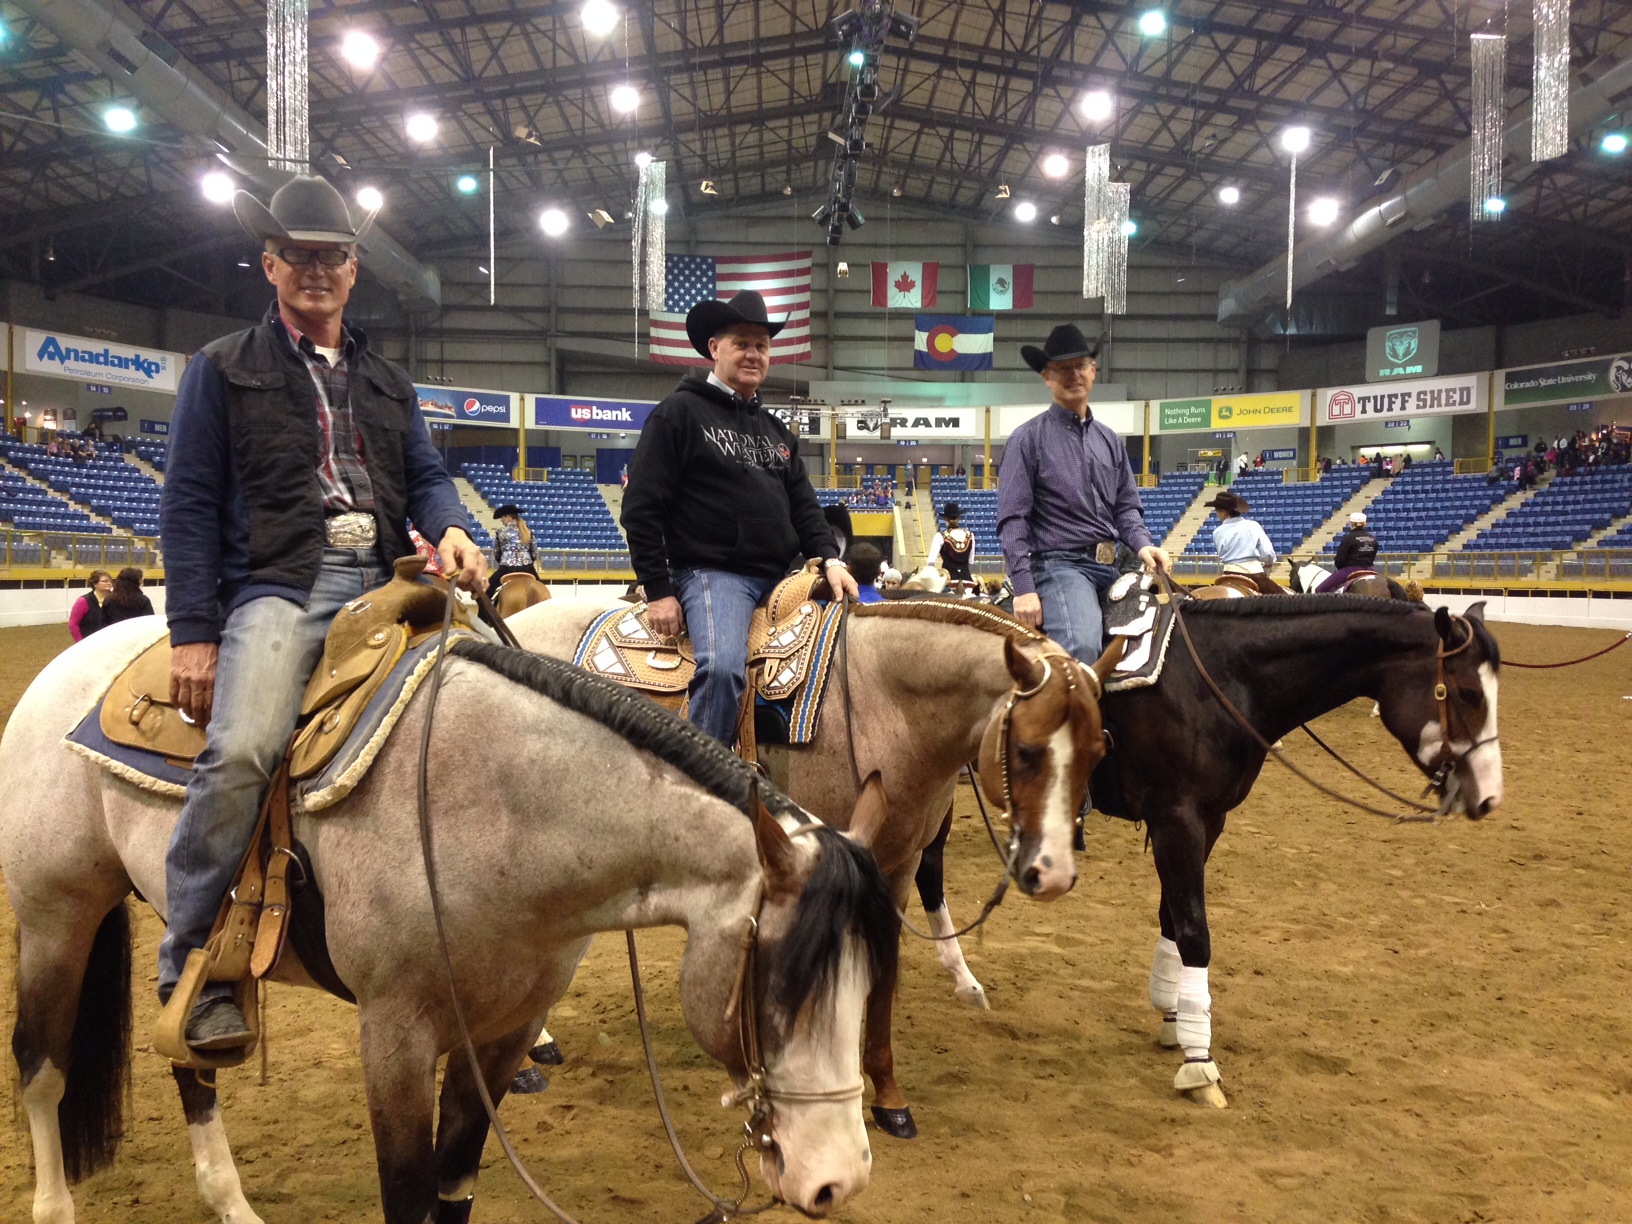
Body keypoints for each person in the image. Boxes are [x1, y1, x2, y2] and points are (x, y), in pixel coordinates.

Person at [157, 174, 485, 1053]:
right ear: (269, 265)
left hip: (381, 579)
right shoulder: (221, 369)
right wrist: (193, 632)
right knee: (245, 749)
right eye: (297, 255)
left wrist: (452, 528)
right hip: (279, 585)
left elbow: (425, 478)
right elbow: (188, 503)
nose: (315, 270)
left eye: (331, 256)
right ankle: (190, 958)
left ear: (354, 269)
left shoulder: (388, 383)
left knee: (502, 696)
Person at [621, 289, 858, 744]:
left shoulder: (775, 431)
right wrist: (658, 589)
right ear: (714, 348)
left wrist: (829, 559)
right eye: (742, 343)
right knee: (724, 666)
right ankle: (701, 783)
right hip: (714, 574)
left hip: (784, 576)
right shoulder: (678, 414)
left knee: (844, 653)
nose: (754, 354)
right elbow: (642, 506)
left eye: (762, 346)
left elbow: (805, 505)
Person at [997, 323, 1171, 668]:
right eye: (1062, 368)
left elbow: (1126, 508)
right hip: (1058, 565)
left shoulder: (1110, 441)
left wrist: (1143, 544)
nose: (1073, 374)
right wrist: (1024, 587)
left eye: (1080, 365)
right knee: (1080, 648)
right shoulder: (1027, 439)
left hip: (1112, 566)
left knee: (1165, 632)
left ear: (1093, 371)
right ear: (1047, 378)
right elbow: (1012, 519)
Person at [1207, 491, 1280, 593]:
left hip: (1228, 574)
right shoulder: (1252, 526)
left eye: (1217, 510)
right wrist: (1268, 563)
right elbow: (1267, 552)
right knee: (1287, 602)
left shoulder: (1217, 532)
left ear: (1224, 511)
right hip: (1253, 573)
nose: (1216, 513)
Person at [487, 504, 538, 599]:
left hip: (506, 568)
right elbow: (534, 554)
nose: (502, 521)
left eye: (503, 517)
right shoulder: (528, 532)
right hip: (527, 568)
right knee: (543, 593)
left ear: (508, 517)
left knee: (485, 592)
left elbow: (497, 553)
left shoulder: (500, 532)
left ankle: (484, 614)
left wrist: (504, 561)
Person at [928, 501, 975, 584]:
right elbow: (971, 561)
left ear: (945, 519)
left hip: (948, 579)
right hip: (966, 578)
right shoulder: (970, 535)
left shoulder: (940, 536)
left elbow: (931, 561)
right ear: (959, 518)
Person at [69, 570, 112, 642]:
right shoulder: (83, 601)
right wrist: (80, 642)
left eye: (110, 581)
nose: (109, 583)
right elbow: (73, 624)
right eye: (105, 581)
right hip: (89, 642)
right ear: (95, 584)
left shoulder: (116, 600)